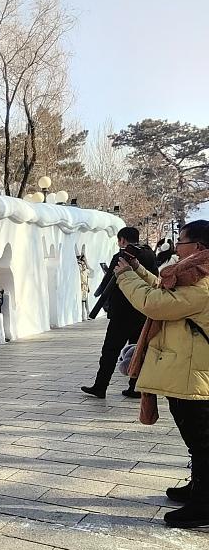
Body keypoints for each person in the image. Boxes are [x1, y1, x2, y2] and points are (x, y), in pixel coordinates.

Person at [114, 220, 209, 528]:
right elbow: (160, 289)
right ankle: (199, 489)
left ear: (198, 247)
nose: (176, 246)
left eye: (180, 241)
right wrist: (137, 271)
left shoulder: (203, 281)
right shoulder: (192, 273)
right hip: (184, 370)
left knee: (202, 440)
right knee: (195, 438)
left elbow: (155, 304)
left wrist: (127, 278)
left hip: (194, 374)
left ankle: (205, 503)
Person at [81, 227, 158, 399]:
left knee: (110, 351)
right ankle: (135, 387)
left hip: (122, 313)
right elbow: (155, 279)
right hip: (143, 311)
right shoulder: (149, 255)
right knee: (138, 351)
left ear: (122, 240)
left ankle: (101, 386)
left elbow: (108, 282)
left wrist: (103, 301)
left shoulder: (122, 257)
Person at [77, 254, 92, 321]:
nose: (83, 266)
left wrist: (86, 262)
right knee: (83, 302)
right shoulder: (80, 271)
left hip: (85, 288)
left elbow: (91, 273)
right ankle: (83, 316)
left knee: (86, 302)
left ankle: (88, 315)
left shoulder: (85, 271)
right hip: (82, 288)